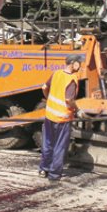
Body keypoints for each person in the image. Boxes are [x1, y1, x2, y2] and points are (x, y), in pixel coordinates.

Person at [38, 54, 81, 182]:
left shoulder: (56, 73)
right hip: (62, 118)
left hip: (50, 116)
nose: (80, 65)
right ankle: (54, 174)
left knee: (47, 143)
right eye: (79, 63)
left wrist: (48, 99)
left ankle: (43, 169)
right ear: (72, 63)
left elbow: (44, 88)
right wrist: (78, 109)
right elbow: (69, 100)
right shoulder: (72, 79)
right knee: (59, 146)